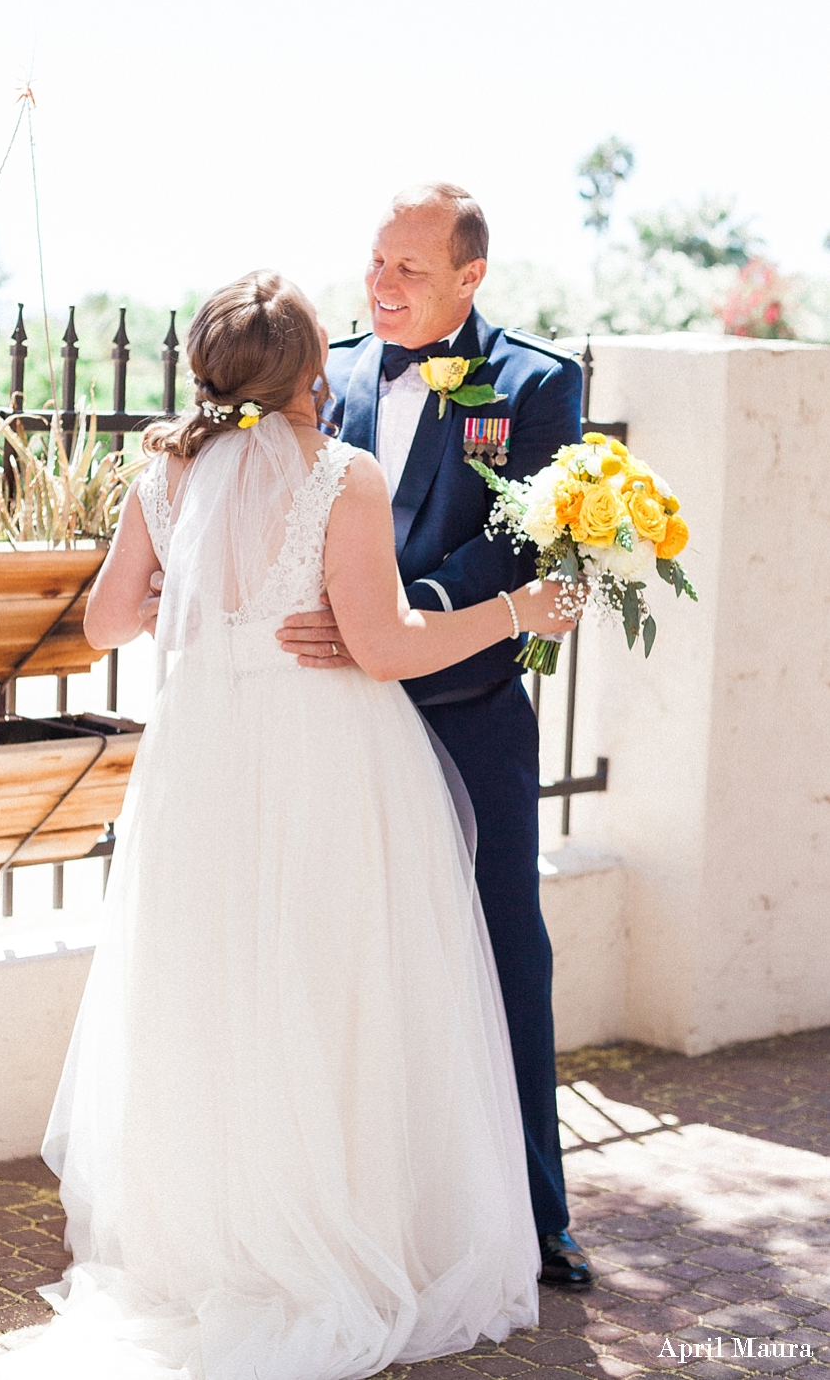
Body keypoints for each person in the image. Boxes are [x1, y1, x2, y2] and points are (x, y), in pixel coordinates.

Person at [0, 271, 580, 1380]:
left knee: (212, 990)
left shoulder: (162, 468)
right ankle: (329, 1228)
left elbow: (106, 618)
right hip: (319, 758)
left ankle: (217, 1238)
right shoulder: (339, 474)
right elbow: (388, 645)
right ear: (316, 370)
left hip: (202, 762)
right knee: (327, 987)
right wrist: (521, 608)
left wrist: (200, 602)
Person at [276, 183, 592, 1286]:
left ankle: (535, 1212)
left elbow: (522, 535)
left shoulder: (538, 382)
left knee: (504, 948)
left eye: (409, 269)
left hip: (467, 709)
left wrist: (396, 605)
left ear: (470, 276)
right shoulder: (333, 372)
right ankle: (375, 1212)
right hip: (339, 717)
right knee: (350, 957)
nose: (383, 287)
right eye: (374, 264)